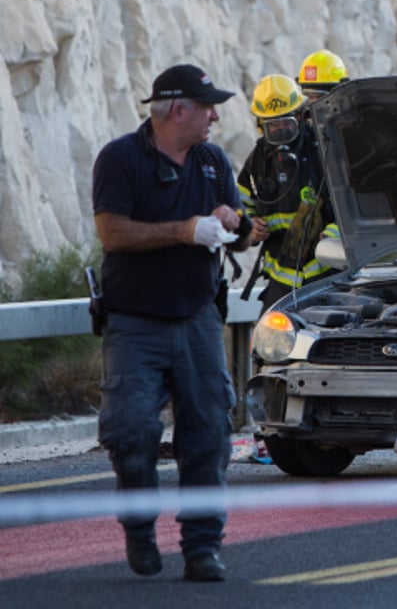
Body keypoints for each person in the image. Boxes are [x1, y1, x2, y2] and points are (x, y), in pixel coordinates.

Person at [91, 63, 252, 581]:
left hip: (199, 318)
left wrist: (237, 224)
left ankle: (203, 548)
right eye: (208, 107)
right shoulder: (121, 159)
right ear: (177, 110)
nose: (216, 117)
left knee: (209, 434)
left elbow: (243, 228)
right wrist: (183, 231)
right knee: (132, 432)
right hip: (134, 323)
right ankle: (139, 533)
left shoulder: (212, 161)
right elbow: (113, 234)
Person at [238, 74, 339, 313]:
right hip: (281, 279)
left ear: (300, 116)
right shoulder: (258, 162)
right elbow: (239, 205)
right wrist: (249, 225)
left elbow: (350, 204)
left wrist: (334, 234)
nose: (281, 131)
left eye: (286, 124)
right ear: (261, 125)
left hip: (328, 274)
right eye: (273, 126)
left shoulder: (324, 152)